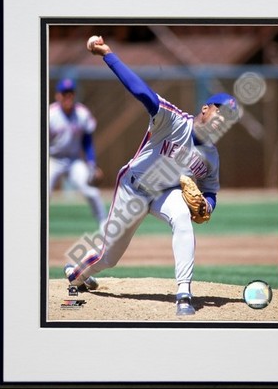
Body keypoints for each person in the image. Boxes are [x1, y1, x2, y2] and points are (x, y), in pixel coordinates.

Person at [64, 36, 239, 316]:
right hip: (133, 189)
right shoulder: (173, 121)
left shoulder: (212, 157)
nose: (223, 119)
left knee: (183, 219)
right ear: (205, 109)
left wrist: (208, 205)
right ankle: (76, 273)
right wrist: (108, 54)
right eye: (221, 111)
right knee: (109, 258)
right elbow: (142, 92)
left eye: (230, 118)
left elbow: (211, 192)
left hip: (164, 193)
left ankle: (184, 293)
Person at [49, 78, 107, 232]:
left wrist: (92, 165)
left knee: (90, 190)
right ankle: (35, 229)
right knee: (43, 193)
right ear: (58, 95)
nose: (68, 96)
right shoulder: (50, 114)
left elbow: (87, 141)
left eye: (71, 93)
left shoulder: (82, 113)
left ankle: (104, 225)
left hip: (74, 160)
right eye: (64, 93)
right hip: (53, 159)